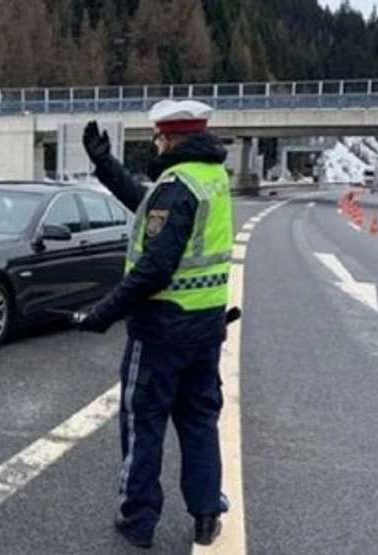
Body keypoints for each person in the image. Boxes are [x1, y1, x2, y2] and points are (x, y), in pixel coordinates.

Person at [71, 99, 233, 548]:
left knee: (143, 426)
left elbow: (155, 269)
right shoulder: (212, 178)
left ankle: (137, 519)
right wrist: (106, 165)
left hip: (162, 331)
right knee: (199, 423)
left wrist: (101, 313)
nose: (157, 144)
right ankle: (205, 515)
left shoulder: (178, 184)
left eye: (159, 137)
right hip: (205, 329)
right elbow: (148, 208)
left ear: (172, 137)